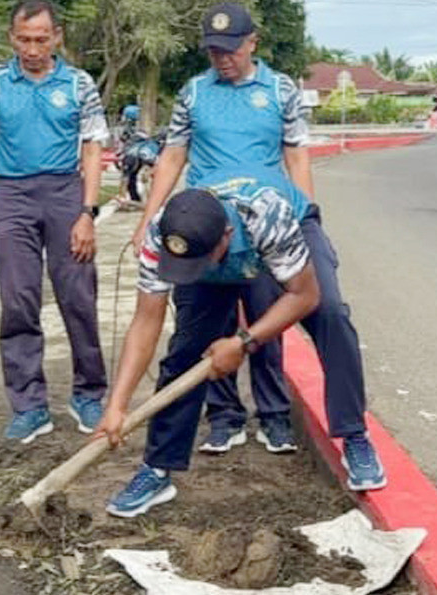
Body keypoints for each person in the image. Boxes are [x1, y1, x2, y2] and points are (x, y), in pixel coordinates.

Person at [99, 167, 385, 518]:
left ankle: (354, 435)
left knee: (331, 315)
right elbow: (146, 321)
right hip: (216, 246)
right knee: (186, 351)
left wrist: (244, 341)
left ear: (226, 237)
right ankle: (157, 468)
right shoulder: (163, 234)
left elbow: (304, 296)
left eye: (198, 264)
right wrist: (117, 404)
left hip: (289, 230)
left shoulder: (267, 216)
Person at [132, 2, 314, 456]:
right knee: (201, 323)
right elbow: (173, 155)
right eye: (214, 52)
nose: (223, 59)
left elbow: (295, 153)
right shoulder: (194, 93)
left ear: (252, 42)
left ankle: (273, 416)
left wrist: (306, 213)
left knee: (265, 319)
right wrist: (147, 219)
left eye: (231, 50)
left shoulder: (280, 89)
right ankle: (224, 416)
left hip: (258, 224)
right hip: (206, 225)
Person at [0, 0, 110, 443]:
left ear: (57, 37)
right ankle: (28, 404)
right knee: (18, 301)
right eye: (24, 40)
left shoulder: (79, 84)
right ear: (12, 38)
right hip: (12, 196)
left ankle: (89, 393)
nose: (32, 49)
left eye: (41, 40)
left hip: (65, 194)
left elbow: (91, 149)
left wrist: (87, 213)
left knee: (78, 297)